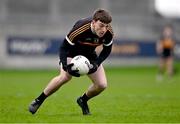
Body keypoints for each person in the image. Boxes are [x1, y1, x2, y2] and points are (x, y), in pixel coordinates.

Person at [28, 9, 114, 115]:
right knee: (65, 77)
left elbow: (107, 50)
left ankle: (83, 100)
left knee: (102, 85)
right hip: (71, 53)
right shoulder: (80, 28)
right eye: (101, 25)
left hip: (89, 55)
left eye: (106, 26)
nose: (104, 29)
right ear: (93, 22)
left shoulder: (108, 32)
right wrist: (65, 65)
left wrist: (97, 63)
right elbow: (64, 47)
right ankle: (39, 100)